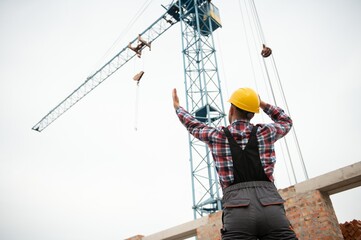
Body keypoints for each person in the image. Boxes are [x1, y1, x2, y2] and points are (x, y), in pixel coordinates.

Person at [172, 87, 298, 240]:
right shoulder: (266, 132)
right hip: (270, 207)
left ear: (231, 109)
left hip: (237, 211)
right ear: (252, 113)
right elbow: (286, 121)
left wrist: (178, 108)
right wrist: (263, 104)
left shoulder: (216, 135)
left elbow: (193, 124)